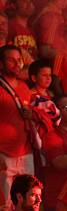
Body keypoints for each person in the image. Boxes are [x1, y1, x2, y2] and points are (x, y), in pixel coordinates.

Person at [0, 45, 34, 200]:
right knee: (5, 204)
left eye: (19, 60)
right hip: (4, 153)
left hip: (25, 151)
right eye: (10, 60)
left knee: (29, 200)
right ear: (1, 63)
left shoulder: (24, 87)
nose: (16, 64)